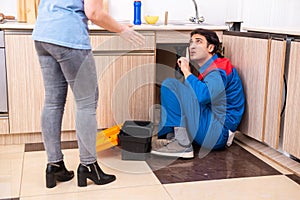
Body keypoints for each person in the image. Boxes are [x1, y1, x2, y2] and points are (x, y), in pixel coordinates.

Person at [32, 0, 145, 188]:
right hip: (69, 36)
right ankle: (88, 165)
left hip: (43, 34)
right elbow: (94, 13)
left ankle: (54, 165)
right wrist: (122, 29)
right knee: (87, 103)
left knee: (53, 101)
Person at [151, 28, 245, 159]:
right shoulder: (209, 68)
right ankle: (173, 137)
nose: (192, 46)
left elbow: (203, 96)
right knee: (179, 88)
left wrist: (186, 71)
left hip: (218, 133)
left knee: (171, 85)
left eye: (199, 42)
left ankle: (181, 144)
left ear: (210, 47)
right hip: (212, 127)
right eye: (191, 42)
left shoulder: (219, 68)